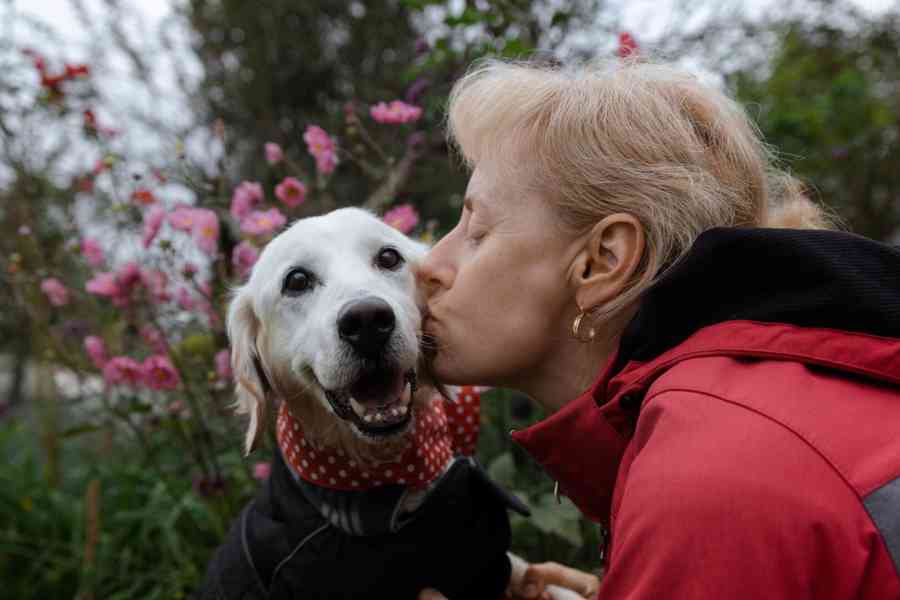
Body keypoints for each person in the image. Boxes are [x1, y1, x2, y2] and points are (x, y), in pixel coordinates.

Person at [416, 56, 900, 599]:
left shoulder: (712, 481)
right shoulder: (762, 407)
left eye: (477, 229)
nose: (430, 266)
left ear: (602, 261)